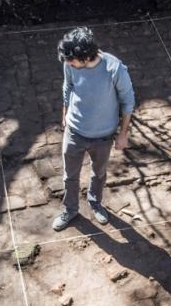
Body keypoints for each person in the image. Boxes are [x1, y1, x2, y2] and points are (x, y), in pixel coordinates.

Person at [52, 27, 135, 232]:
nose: (68, 64)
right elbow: (67, 87)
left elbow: (128, 102)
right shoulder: (70, 63)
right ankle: (70, 210)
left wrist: (123, 134)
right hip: (74, 132)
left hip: (103, 137)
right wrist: (65, 114)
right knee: (69, 175)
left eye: (72, 61)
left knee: (99, 173)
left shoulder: (114, 69)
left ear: (86, 56)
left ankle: (95, 202)